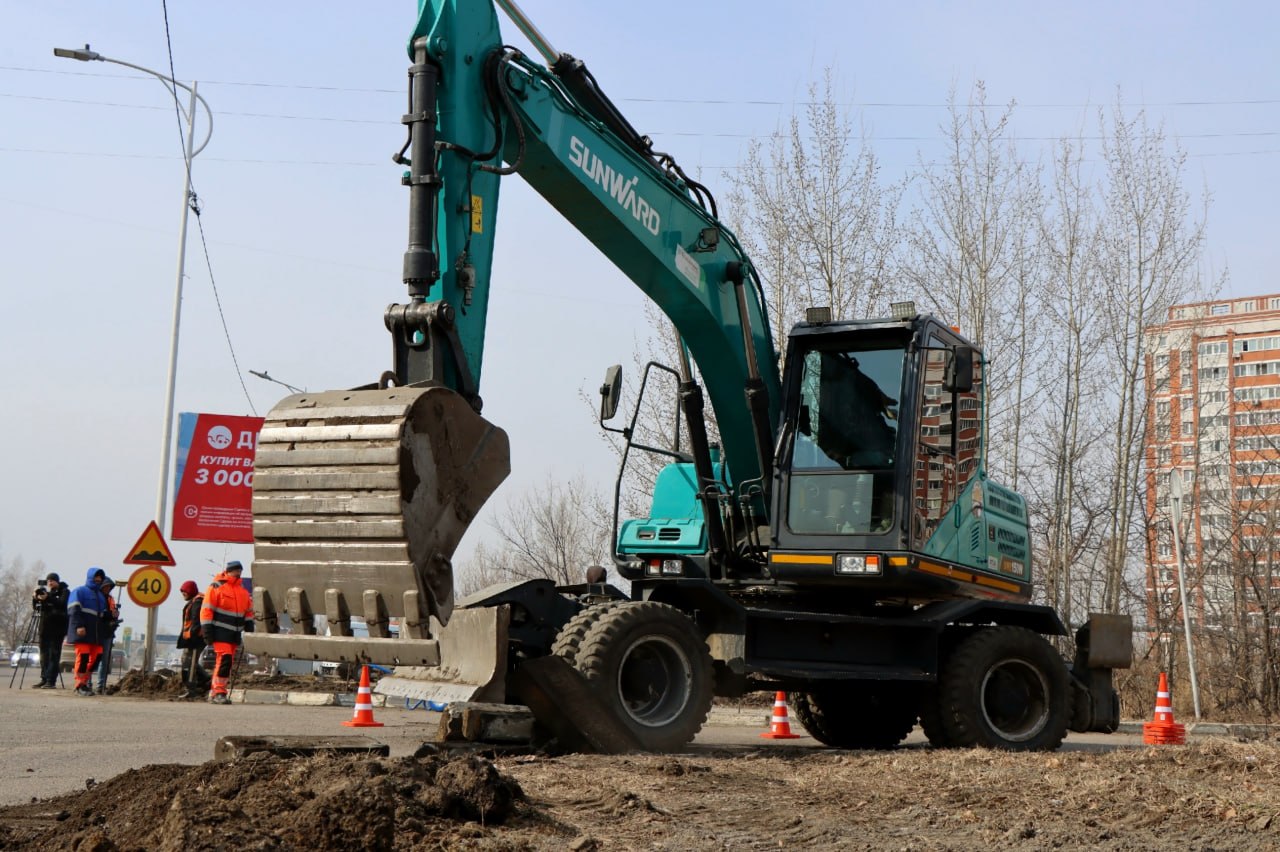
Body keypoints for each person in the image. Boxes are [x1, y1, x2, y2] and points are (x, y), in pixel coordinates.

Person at [199, 560, 253, 705]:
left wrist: (249, 624)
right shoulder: (216, 587)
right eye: (236, 570)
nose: (238, 572)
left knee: (225, 663)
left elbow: (248, 611)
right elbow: (207, 609)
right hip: (219, 632)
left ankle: (214, 692)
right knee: (225, 660)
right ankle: (219, 692)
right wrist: (207, 629)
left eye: (240, 570)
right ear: (228, 571)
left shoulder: (242, 591)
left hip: (234, 634)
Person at [66, 567, 109, 697]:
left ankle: (84, 682)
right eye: (96, 577)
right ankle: (79, 685)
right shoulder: (79, 591)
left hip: (96, 635)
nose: (98, 579)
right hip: (82, 632)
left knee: (97, 658)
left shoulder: (101, 596)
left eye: (100, 577)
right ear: (90, 577)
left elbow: (102, 615)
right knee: (83, 657)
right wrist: (79, 626)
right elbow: (73, 610)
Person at [33, 572, 68, 689]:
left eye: (52, 580)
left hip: (57, 629)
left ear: (57, 581)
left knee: (54, 654)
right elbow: (37, 608)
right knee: (44, 655)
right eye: (48, 581)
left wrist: (48, 598)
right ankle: (44, 678)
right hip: (44, 628)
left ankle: (51, 680)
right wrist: (35, 599)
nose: (50, 582)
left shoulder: (64, 591)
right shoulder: (46, 593)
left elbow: (62, 604)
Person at [177, 579, 211, 698]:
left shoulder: (197, 602)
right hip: (192, 638)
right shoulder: (194, 601)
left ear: (190, 591)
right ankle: (206, 680)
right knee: (188, 661)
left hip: (196, 639)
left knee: (189, 663)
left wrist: (193, 637)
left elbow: (197, 621)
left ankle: (191, 689)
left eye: (185, 592)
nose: (183, 594)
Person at [93, 578, 122, 695]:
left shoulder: (111, 599)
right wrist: (108, 614)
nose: (107, 588)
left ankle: (100, 686)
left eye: (109, 587)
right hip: (96, 632)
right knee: (92, 659)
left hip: (108, 632)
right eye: (105, 586)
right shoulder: (94, 598)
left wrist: (115, 615)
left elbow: (111, 614)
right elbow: (98, 613)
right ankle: (87, 684)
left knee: (104, 660)